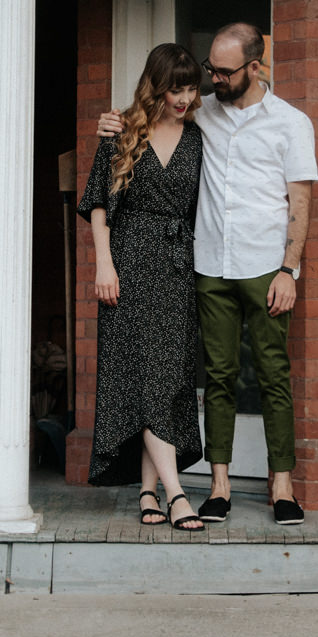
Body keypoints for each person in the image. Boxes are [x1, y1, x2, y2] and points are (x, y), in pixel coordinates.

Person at [99, 21, 317, 525]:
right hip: (210, 265)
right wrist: (110, 124)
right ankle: (218, 487)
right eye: (209, 71)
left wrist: (290, 269)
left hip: (266, 267)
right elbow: (148, 121)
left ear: (254, 67)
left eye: (223, 72)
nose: (212, 80)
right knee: (217, 376)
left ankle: (281, 487)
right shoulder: (203, 116)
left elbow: (301, 202)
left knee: (272, 375)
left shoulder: (291, 123)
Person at [78, 42, 208, 531]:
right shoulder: (122, 133)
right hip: (128, 265)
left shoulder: (197, 136)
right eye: (176, 88)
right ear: (156, 85)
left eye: (191, 87)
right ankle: (177, 494)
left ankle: (148, 491)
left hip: (177, 269)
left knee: (167, 379)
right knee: (144, 377)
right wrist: (103, 265)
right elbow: (98, 205)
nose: (184, 97)